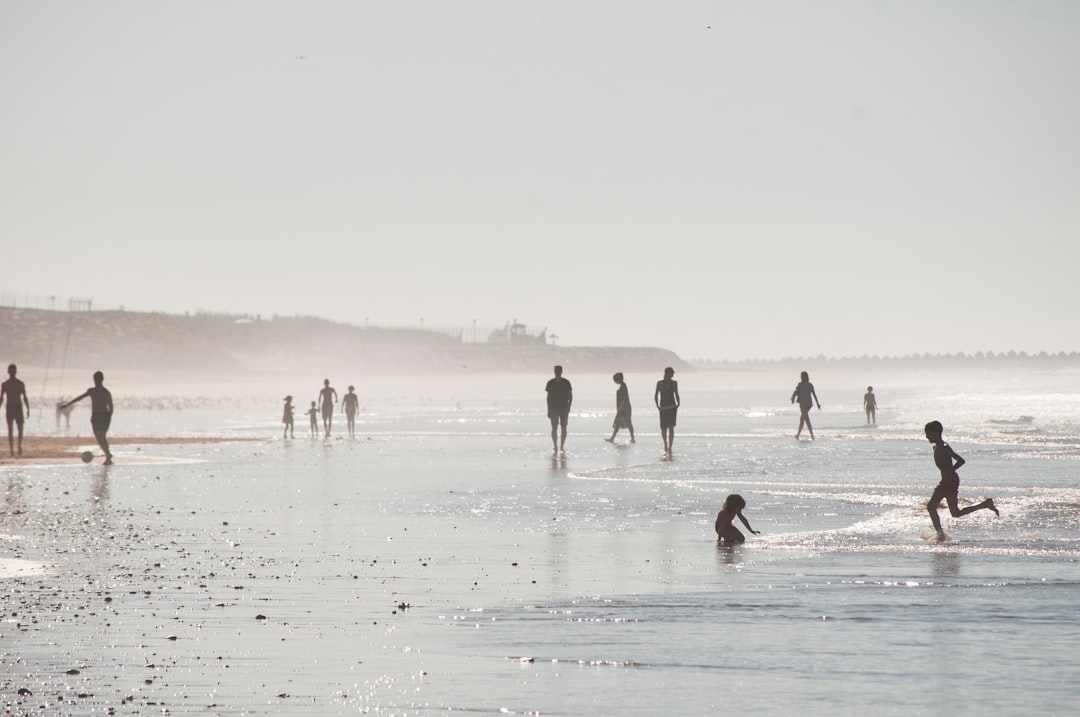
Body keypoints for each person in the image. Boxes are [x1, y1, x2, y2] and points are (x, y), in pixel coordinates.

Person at [924, 420, 999, 540]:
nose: (926, 436)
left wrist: (951, 470)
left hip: (950, 480)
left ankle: (940, 534)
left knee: (931, 506)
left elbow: (961, 460)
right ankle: (985, 504)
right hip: (947, 480)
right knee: (955, 513)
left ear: (935, 433)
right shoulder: (936, 447)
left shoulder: (944, 447)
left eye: (928, 433)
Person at [60, 371, 114, 464]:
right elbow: (111, 407)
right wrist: (109, 417)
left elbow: (80, 398)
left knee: (100, 436)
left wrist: (67, 405)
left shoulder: (94, 391)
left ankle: (108, 455)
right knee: (101, 437)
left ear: (95, 380)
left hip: (99, 416)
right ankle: (108, 455)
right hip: (103, 415)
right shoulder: (104, 392)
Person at [1, 364, 30, 457]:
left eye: (13, 371)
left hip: (17, 407)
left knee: (20, 429)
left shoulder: (20, 384)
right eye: (11, 371)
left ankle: (19, 446)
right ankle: (11, 449)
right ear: (9, 372)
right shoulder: (5, 384)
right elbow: (1, 398)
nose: (12, 373)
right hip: (10, 407)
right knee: (10, 429)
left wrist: (28, 409)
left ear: (15, 372)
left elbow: (25, 397)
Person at [545, 365, 572, 454]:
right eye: (556, 371)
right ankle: (555, 445)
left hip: (564, 408)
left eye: (558, 371)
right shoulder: (550, 383)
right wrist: (548, 409)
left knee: (563, 427)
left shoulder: (566, 382)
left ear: (561, 372)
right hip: (553, 408)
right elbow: (548, 397)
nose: (557, 373)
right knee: (554, 427)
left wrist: (569, 406)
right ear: (554, 372)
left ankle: (562, 446)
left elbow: (570, 395)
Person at [654, 367, 680, 455]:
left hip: (672, 407)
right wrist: (657, 405)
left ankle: (670, 447)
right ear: (667, 373)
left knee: (671, 428)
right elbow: (656, 395)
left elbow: (676, 393)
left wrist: (678, 403)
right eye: (671, 373)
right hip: (663, 408)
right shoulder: (660, 383)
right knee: (663, 428)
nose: (672, 375)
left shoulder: (674, 383)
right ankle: (665, 443)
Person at [605, 372, 635, 444]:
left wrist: (619, 409)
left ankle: (632, 438)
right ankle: (613, 438)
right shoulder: (623, 386)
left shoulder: (623, 387)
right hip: (624, 407)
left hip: (624, 408)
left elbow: (623, 399)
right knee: (618, 423)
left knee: (627, 422)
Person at [790, 371, 821, 440]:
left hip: (803, 404)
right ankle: (800, 435)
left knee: (805, 419)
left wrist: (793, 398)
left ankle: (811, 435)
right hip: (808, 404)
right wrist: (817, 404)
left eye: (801, 376)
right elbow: (814, 395)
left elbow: (796, 392)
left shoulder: (801, 385)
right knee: (803, 419)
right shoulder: (809, 385)